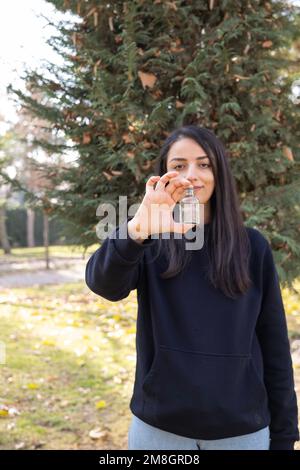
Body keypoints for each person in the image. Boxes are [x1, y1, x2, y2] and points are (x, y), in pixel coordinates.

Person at [85, 125, 299, 450]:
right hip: (159, 430)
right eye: (179, 166)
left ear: (219, 172)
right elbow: (104, 284)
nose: (192, 175)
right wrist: (137, 229)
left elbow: (275, 348)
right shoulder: (149, 240)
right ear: (164, 177)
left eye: (204, 164)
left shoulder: (253, 246)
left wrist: (285, 435)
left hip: (241, 431)